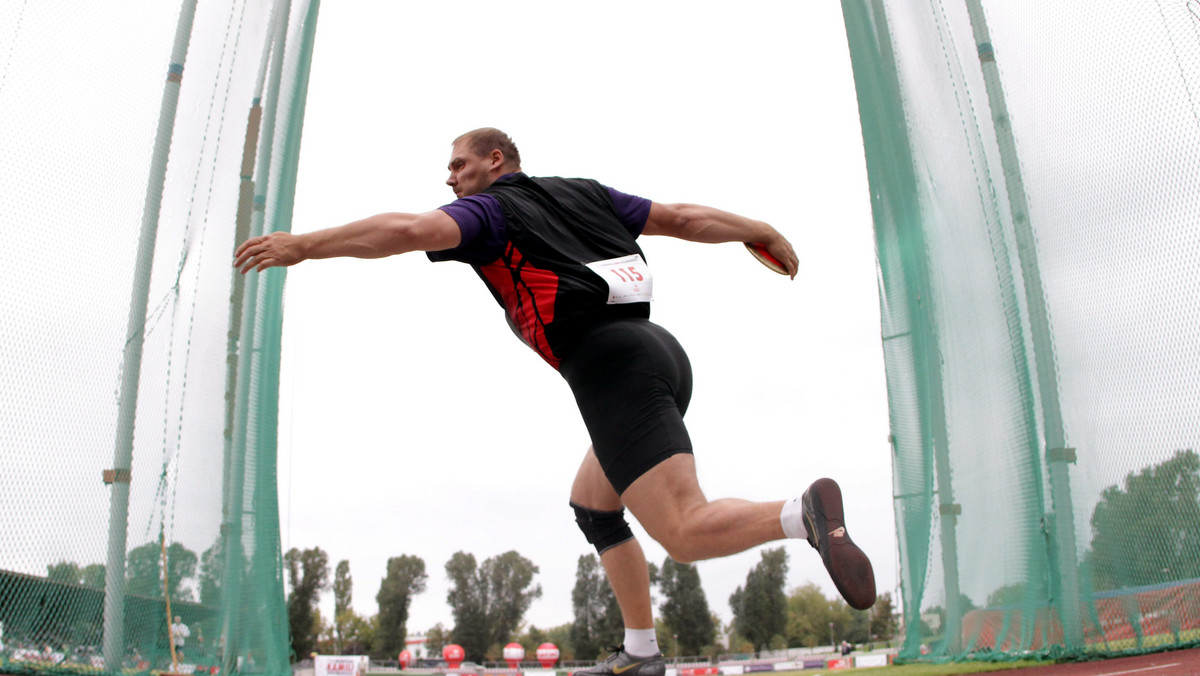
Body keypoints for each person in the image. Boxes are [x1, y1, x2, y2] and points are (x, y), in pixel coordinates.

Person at [234, 128, 875, 676]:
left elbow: (405, 229)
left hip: (611, 368)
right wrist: (757, 228)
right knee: (594, 504)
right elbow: (680, 217)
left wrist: (303, 246)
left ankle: (800, 514)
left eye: (458, 163)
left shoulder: (489, 213)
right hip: (660, 354)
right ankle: (641, 652)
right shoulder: (586, 193)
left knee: (681, 530)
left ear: (496, 160)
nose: (451, 177)